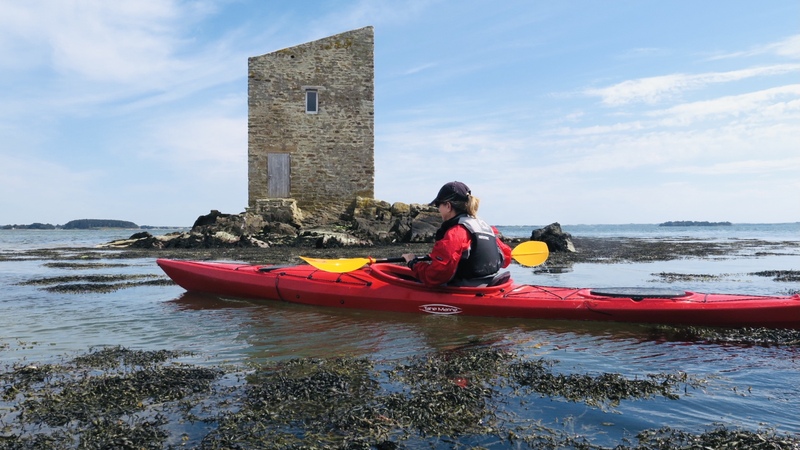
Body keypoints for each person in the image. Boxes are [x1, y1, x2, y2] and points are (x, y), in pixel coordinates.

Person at [402, 181, 512, 287]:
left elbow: (435, 276)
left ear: (448, 206)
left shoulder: (456, 233)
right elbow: (506, 258)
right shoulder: (485, 227)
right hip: (489, 284)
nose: (438, 209)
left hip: (466, 292)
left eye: (438, 205)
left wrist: (414, 264)